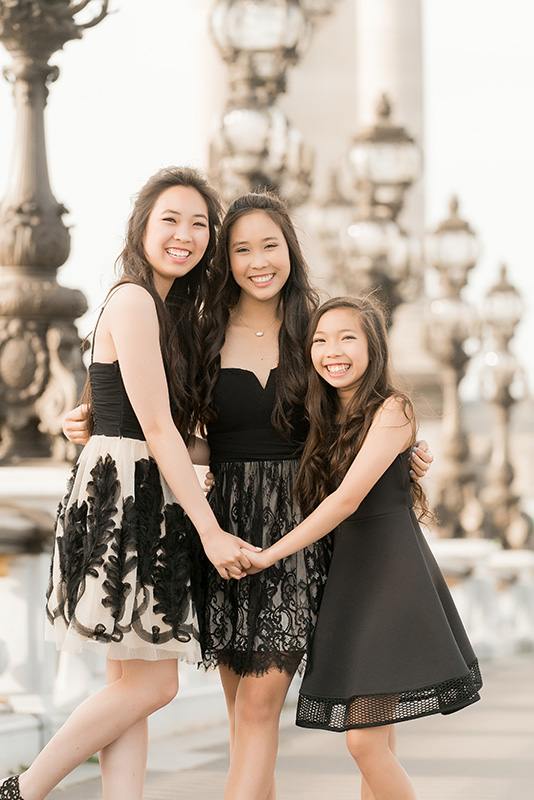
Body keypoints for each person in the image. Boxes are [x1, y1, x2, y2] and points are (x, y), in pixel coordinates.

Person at [61, 191, 433, 800]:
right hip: (221, 523)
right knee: (244, 723)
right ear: (223, 259)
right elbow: (163, 420)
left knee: (262, 713)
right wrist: (86, 421)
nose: (258, 261)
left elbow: (361, 400)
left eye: (271, 245)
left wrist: (406, 447)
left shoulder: (314, 326)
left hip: (297, 525)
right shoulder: (197, 329)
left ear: (291, 250)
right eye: (241, 248)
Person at [0, 166, 258, 800]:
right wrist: (211, 530)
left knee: (131, 686)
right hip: (131, 496)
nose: (185, 234)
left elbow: (140, 423)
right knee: (155, 684)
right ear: (141, 225)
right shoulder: (137, 298)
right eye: (170, 219)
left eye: (200, 224)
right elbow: (161, 432)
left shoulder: (164, 308)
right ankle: (25, 788)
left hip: (135, 484)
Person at [244, 295, 482, 800]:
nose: (333, 350)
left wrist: (270, 554)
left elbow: (347, 500)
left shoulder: (393, 409)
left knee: (363, 744)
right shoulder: (321, 417)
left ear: (373, 346)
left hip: (391, 579)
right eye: (320, 340)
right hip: (349, 583)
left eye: (347, 337)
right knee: (379, 742)